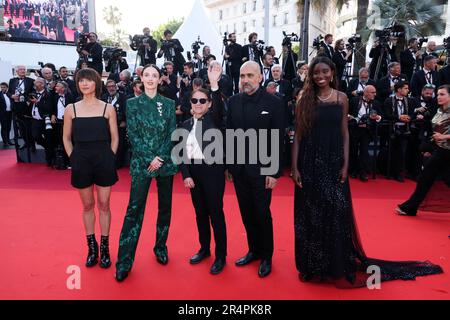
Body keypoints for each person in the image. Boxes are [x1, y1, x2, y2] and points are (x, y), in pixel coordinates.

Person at [291, 56, 442, 288]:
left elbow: (344, 133)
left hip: (333, 162)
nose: (320, 76)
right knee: (310, 213)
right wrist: (294, 167)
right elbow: (299, 134)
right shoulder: (305, 97)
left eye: (324, 72)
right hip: (309, 162)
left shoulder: (342, 98)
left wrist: (345, 165)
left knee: (335, 212)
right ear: (311, 75)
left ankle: (334, 263)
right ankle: (312, 265)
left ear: (332, 72)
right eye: (316, 73)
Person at [115, 64, 178, 282]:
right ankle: (124, 261)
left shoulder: (169, 104)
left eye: (155, 75)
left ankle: (161, 247)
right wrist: (149, 158)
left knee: (165, 208)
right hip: (142, 164)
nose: (150, 78)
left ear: (160, 79)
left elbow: (172, 133)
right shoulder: (131, 104)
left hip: (165, 164)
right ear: (141, 78)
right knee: (134, 210)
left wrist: (159, 157)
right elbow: (132, 134)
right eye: (146, 75)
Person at [226, 61, 285, 278]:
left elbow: (278, 139)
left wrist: (274, 171)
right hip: (239, 169)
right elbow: (229, 135)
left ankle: (267, 256)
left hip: (263, 170)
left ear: (260, 77)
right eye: (242, 76)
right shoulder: (233, 102)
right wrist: (229, 166)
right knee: (246, 213)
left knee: (262, 213)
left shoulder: (274, 102)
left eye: (250, 75)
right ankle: (253, 250)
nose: (245, 80)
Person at [62, 68, 119, 269]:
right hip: (81, 161)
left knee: (104, 205)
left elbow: (115, 137)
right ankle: (91, 248)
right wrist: (74, 157)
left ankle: (104, 247)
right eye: (81, 81)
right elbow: (66, 138)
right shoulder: (71, 109)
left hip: (103, 159)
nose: (84, 84)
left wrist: (110, 157)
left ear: (96, 83)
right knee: (87, 206)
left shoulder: (108, 108)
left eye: (88, 80)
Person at [179, 62, 227, 275]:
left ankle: (221, 255)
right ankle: (205, 249)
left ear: (208, 104)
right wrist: (186, 175)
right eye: (194, 100)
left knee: (216, 214)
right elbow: (181, 154)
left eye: (202, 101)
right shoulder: (185, 125)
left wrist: (214, 84)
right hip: (194, 175)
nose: (198, 103)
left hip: (213, 174)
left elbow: (219, 108)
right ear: (190, 103)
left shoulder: (214, 120)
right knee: (200, 214)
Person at [396, 85, 450, 216]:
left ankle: (410, 207)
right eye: (438, 94)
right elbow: (434, 128)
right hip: (440, 150)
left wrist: (443, 136)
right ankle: (410, 207)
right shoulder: (439, 111)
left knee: (427, 178)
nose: (438, 97)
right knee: (427, 178)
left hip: (447, 151)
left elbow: (442, 133)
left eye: (442, 94)